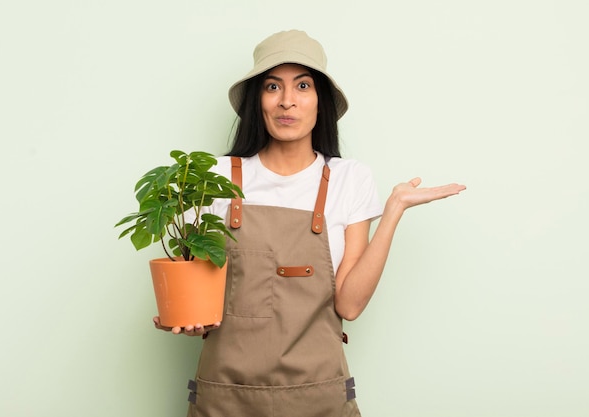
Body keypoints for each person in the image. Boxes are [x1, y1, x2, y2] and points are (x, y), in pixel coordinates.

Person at [153, 29, 466, 417]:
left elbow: (349, 305)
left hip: (319, 399)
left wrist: (393, 210)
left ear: (321, 102)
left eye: (303, 85)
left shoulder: (350, 179)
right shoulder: (213, 177)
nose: (288, 101)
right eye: (272, 86)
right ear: (258, 101)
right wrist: (187, 319)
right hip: (225, 399)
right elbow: (196, 300)